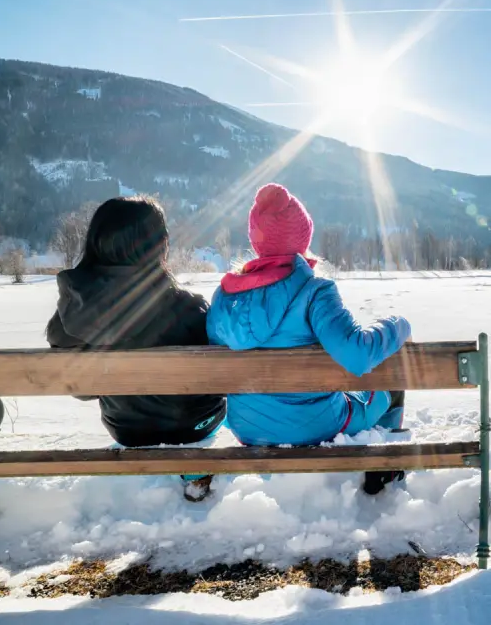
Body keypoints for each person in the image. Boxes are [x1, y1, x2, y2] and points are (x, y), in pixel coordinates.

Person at [207, 183, 410, 494]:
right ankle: (383, 471)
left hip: (247, 426)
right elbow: (356, 353)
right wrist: (398, 325)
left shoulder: (225, 298)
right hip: (316, 424)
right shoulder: (315, 290)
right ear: (303, 237)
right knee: (391, 374)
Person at [46, 196, 226, 502]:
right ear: (161, 245)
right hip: (192, 428)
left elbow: (81, 389)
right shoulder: (187, 307)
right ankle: (195, 471)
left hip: (125, 428)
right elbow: (216, 377)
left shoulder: (73, 313)